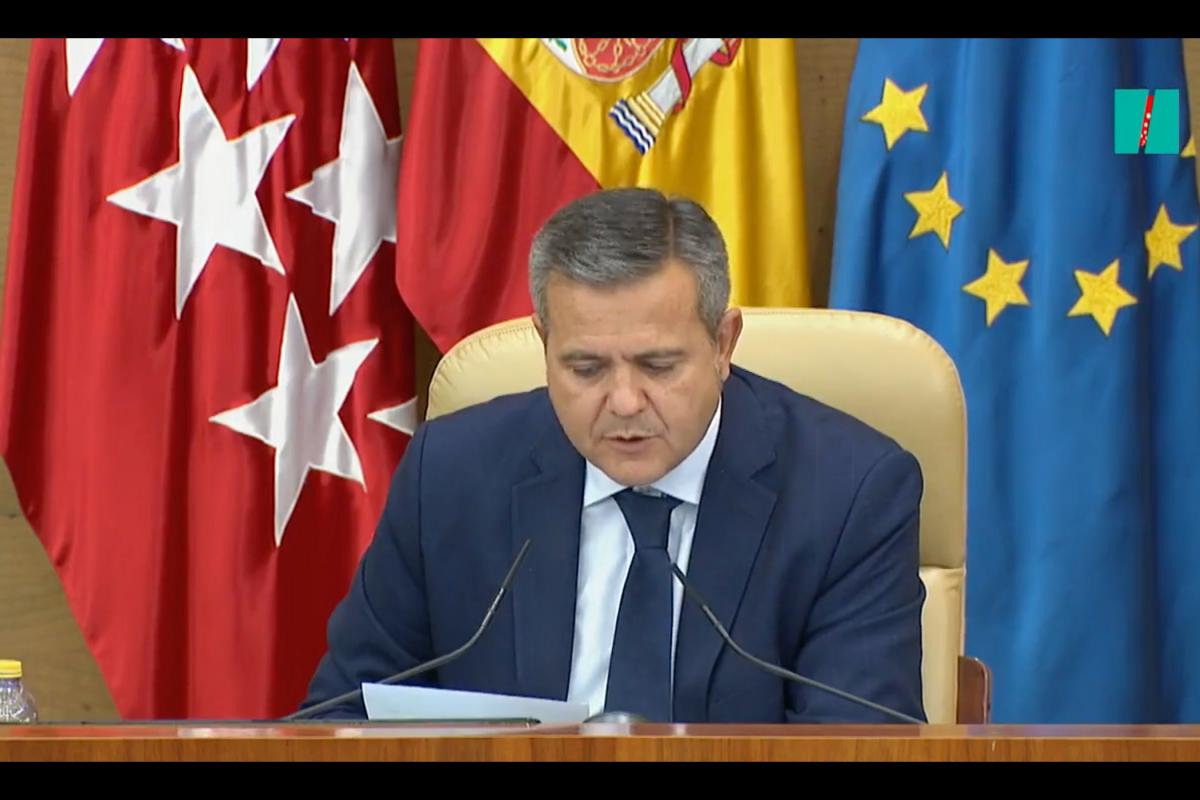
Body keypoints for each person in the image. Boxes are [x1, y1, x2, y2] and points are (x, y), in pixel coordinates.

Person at [298, 187, 927, 723]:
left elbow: (859, 744)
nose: (624, 402)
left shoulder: (849, 494)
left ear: (723, 343)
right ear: (545, 345)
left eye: (658, 365)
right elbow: (342, 719)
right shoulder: (451, 474)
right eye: (586, 368)